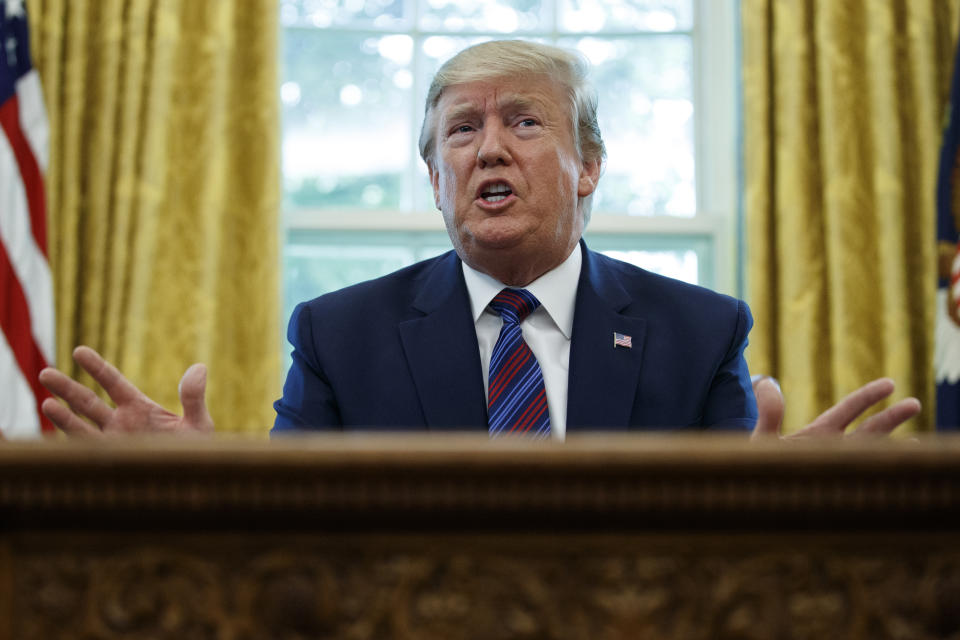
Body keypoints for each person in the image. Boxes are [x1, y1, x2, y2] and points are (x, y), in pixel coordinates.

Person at [36, 41, 921, 439]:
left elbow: (728, 536)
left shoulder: (701, 329)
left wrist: (785, 500)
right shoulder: (340, 332)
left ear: (588, 166)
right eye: (461, 132)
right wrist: (208, 486)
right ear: (434, 182)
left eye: (524, 122)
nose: (489, 146)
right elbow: (295, 528)